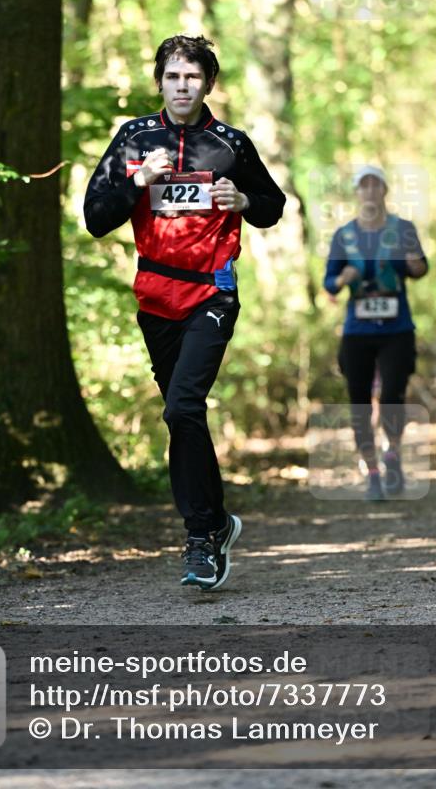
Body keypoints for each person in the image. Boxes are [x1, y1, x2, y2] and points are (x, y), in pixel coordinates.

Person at [84, 35, 285, 588]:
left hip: (212, 294)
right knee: (182, 416)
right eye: (173, 77)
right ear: (159, 82)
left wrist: (244, 202)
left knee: (182, 406)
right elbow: (95, 217)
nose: (182, 86)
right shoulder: (133, 138)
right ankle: (217, 522)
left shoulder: (230, 143)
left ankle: (200, 539)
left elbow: (273, 205)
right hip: (155, 297)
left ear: (208, 84)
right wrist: (137, 181)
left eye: (192, 78)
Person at [323, 165, 428, 500]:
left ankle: (392, 455)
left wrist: (415, 264)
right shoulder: (344, 235)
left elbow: (421, 268)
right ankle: (371, 473)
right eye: (363, 185)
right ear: (357, 192)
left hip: (397, 327)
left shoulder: (403, 229)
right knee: (359, 403)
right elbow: (329, 283)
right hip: (357, 330)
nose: (369, 191)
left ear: (384, 190)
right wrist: (343, 278)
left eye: (375, 185)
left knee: (393, 396)